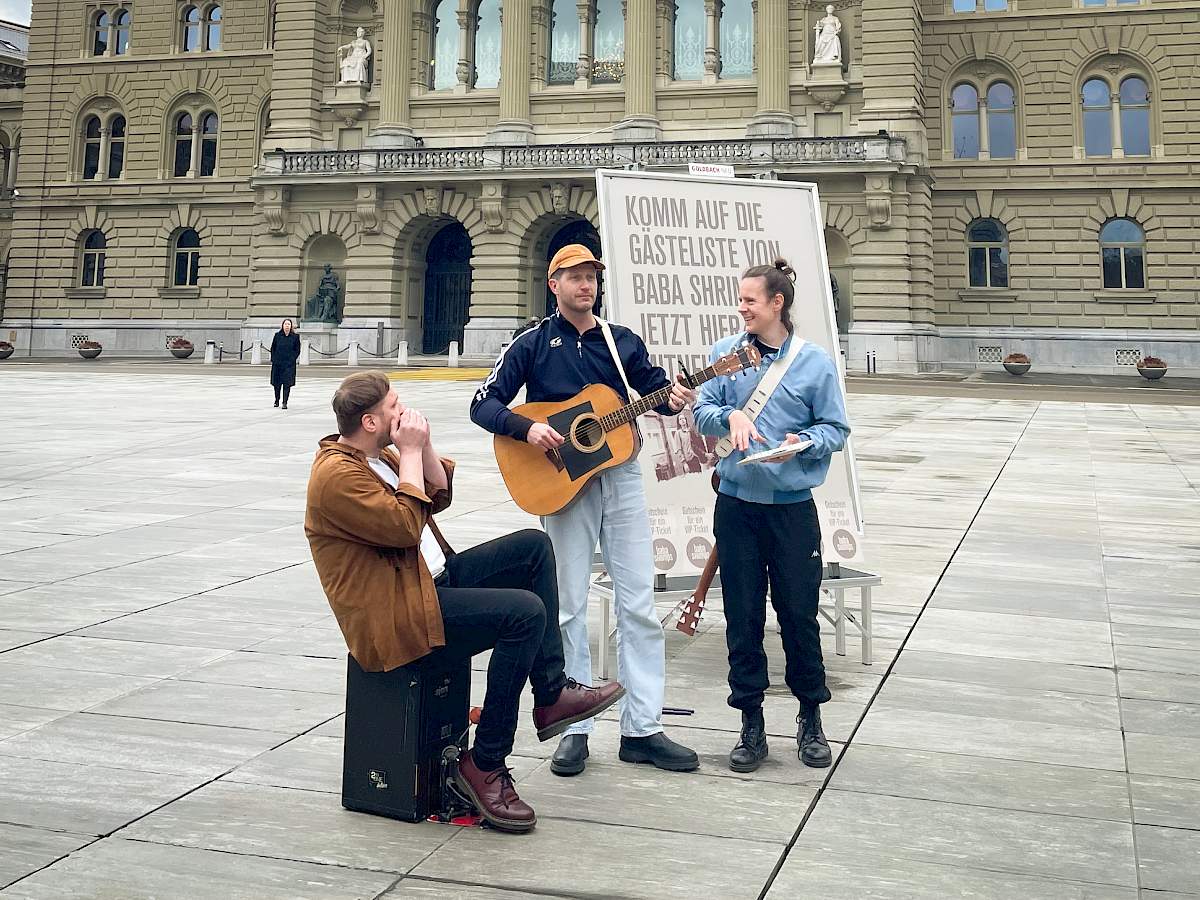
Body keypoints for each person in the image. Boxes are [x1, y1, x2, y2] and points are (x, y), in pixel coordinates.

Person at [305, 372, 623, 832]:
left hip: (430, 582)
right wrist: (410, 453)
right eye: (395, 407)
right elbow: (402, 526)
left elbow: (436, 495)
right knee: (523, 614)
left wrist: (423, 447)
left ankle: (551, 695)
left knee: (532, 547)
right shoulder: (336, 476)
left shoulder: (377, 456)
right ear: (371, 421)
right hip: (400, 613)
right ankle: (486, 762)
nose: (404, 412)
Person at [471, 244, 699, 777]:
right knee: (569, 604)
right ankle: (574, 727)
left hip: (619, 474)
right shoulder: (531, 343)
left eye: (592, 276)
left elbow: (654, 390)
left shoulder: (621, 343)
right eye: (574, 276)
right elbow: (483, 403)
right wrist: (527, 427)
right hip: (561, 483)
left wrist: (673, 397)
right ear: (554, 284)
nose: (585, 285)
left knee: (638, 600)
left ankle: (642, 727)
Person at [693, 258, 850, 772]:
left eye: (750, 302)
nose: (742, 309)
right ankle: (751, 724)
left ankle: (811, 719)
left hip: (792, 512)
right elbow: (701, 411)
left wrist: (802, 443)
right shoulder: (724, 356)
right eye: (740, 301)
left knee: (798, 615)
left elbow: (836, 429)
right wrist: (729, 415)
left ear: (776, 303)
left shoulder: (814, 363)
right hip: (737, 509)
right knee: (742, 616)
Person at [269, 319, 301, 409]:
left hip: (289, 365)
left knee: (287, 384)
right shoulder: (277, 336)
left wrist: (292, 359)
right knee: (277, 384)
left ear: (291, 326)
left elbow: (297, 350)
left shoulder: (295, 337)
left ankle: (285, 402)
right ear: (282, 325)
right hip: (278, 364)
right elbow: (273, 348)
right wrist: (274, 359)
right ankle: (276, 400)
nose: (287, 326)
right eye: (285, 324)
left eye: (289, 324)